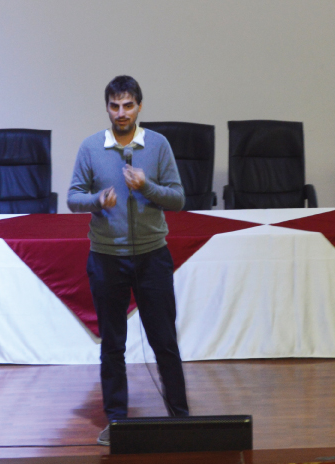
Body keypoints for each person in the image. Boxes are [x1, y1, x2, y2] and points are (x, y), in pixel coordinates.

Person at [67, 75, 189, 446]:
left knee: (164, 340)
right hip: (106, 258)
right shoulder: (91, 147)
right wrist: (96, 201)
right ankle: (117, 421)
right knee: (113, 344)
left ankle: (181, 419)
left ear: (139, 106)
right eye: (114, 106)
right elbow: (73, 197)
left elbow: (178, 198)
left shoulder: (158, 145)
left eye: (128, 105)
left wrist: (146, 187)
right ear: (106, 108)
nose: (121, 113)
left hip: (152, 256)